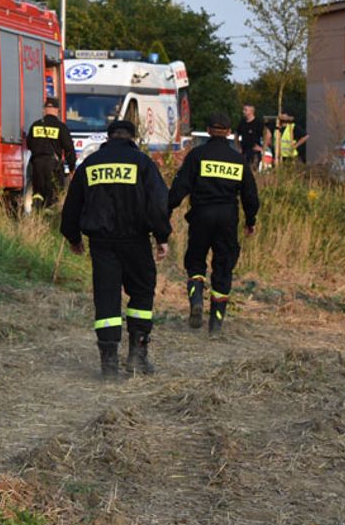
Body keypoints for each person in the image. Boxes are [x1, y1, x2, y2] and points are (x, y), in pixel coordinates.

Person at [60, 119, 171, 378]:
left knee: (106, 298)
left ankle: (109, 362)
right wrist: (161, 236)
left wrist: (73, 237)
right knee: (142, 293)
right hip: (136, 241)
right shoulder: (142, 163)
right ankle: (137, 356)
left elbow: (73, 205)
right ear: (132, 137)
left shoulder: (91, 164)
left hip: (102, 245)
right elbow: (157, 203)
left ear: (108, 138)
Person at [168, 113, 260, 334]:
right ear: (229, 132)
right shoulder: (238, 160)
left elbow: (180, 187)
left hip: (201, 216)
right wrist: (250, 220)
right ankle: (216, 325)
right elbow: (250, 195)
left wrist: (166, 210)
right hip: (228, 219)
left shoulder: (197, 155)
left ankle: (197, 299)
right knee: (223, 267)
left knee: (196, 261)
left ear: (208, 130)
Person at [25, 96, 77, 208]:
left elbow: (29, 144)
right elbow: (69, 149)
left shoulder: (35, 125)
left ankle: (37, 212)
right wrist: (72, 168)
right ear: (57, 110)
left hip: (36, 164)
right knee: (53, 193)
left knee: (37, 192)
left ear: (44, 110)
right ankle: (49, 217)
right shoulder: (61, 127)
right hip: (53, 166)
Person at [235, 103, 270, 171]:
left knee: (252, 171)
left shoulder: (258, 123)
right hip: (244, 151)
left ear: (251, 111)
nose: (243, 112)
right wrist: (238, 147)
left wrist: (263, 148)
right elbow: (236, 134)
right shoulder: (242, 122)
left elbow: (268, 134)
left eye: (245, 110)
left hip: (254, 152)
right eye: (243, 110)